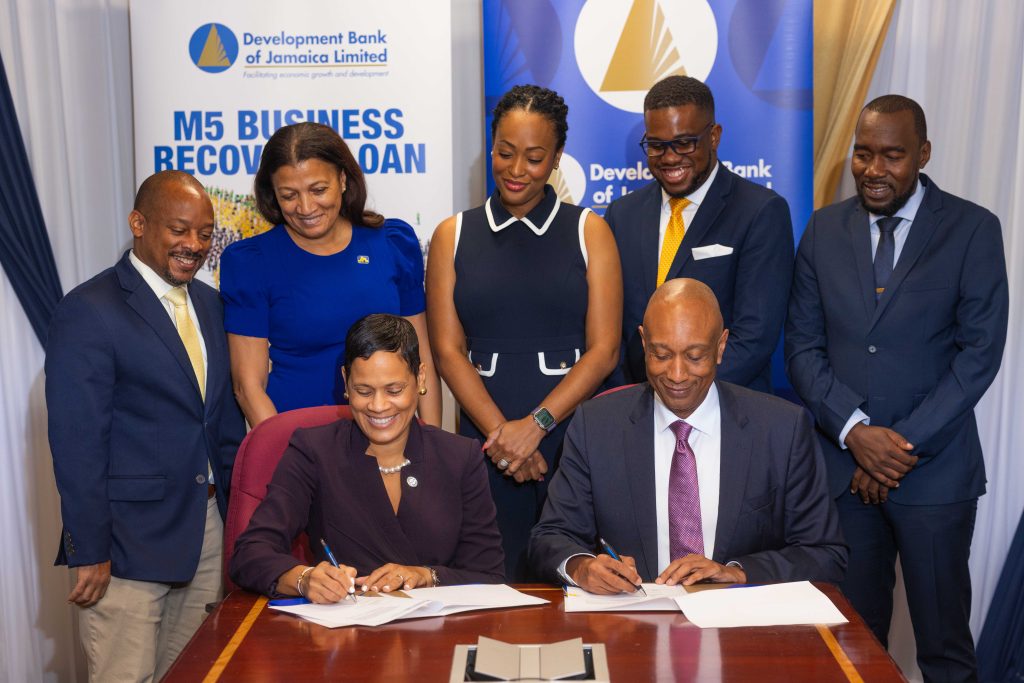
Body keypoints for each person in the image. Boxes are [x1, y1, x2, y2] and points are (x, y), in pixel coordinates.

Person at [786, 95, 1008, 682]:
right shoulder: (823, 229)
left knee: (944, 650)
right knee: (852, 647)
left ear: (923, 154)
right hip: (843, 474)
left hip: (935, 476)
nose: (874, 169)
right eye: (863, 154)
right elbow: (802, 348)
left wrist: (896, 447)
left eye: (892, 155)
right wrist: (856, 433)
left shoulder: (973, 229)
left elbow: (979, 356)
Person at [45, 171, 246, 681]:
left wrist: (238, 524)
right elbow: (77, 443)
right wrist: (89, 549)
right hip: (126, 544)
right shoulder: (88, 309)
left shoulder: (211, 304)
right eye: (179, 230)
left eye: (205, 233)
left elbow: (219, 423)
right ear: (138, 223)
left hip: (206, 532)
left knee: (195, 673)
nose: (194, 245)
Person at [530, 279, 846, 592]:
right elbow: (551, 537)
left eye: (695, 357)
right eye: (661, 355)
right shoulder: (596, 426)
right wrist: (582, 567)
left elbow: (825, 555)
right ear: (644, 343)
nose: (677, 375)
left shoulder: (781, 429)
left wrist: (737, 573)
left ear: (721, 347)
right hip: (632, 618)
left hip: (739, 619)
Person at [426, 85, 622, 581]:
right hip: (485, 441)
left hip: (572, 438)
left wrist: (535, 426)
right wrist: (503, 438)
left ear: (557, 157)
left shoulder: (589, 230)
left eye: (534, 158)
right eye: (504, 152)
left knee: (579, 582)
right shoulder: (452, 235)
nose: (516, 170)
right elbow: (447, 351)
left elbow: (604, 350)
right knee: (491, 582)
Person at [230, 314, 505, 598]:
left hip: (437, 623)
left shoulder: (460, 457)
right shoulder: (314, 450)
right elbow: (250, 553)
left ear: (420, 377)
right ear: (345, 381)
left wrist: (427, 576)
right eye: (363, 391)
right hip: (346, 621)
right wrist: (303, 579)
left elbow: (488, 575)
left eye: (394, 390)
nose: (378, 406)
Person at [220, 122, 441, 428]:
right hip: (297, 437)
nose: (306, 207)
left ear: (343, 179)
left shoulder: (393, 244)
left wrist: (431, 441)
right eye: (289, 195)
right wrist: (284, 451)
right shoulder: (251, 262)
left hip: (390, 435)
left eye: (318, 190)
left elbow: (420, 358)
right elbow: (248, 387)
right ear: (272, 194)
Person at [606, 75, 793, 393]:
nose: (669, 157)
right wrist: (638, 401)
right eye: (656, 146)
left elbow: (755, 338)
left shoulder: (760, 211)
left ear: (714, 136)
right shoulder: (622, 214)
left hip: (725, 405)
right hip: (637, 406)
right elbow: (616, 330)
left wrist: (677, 396)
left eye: (684, 143)